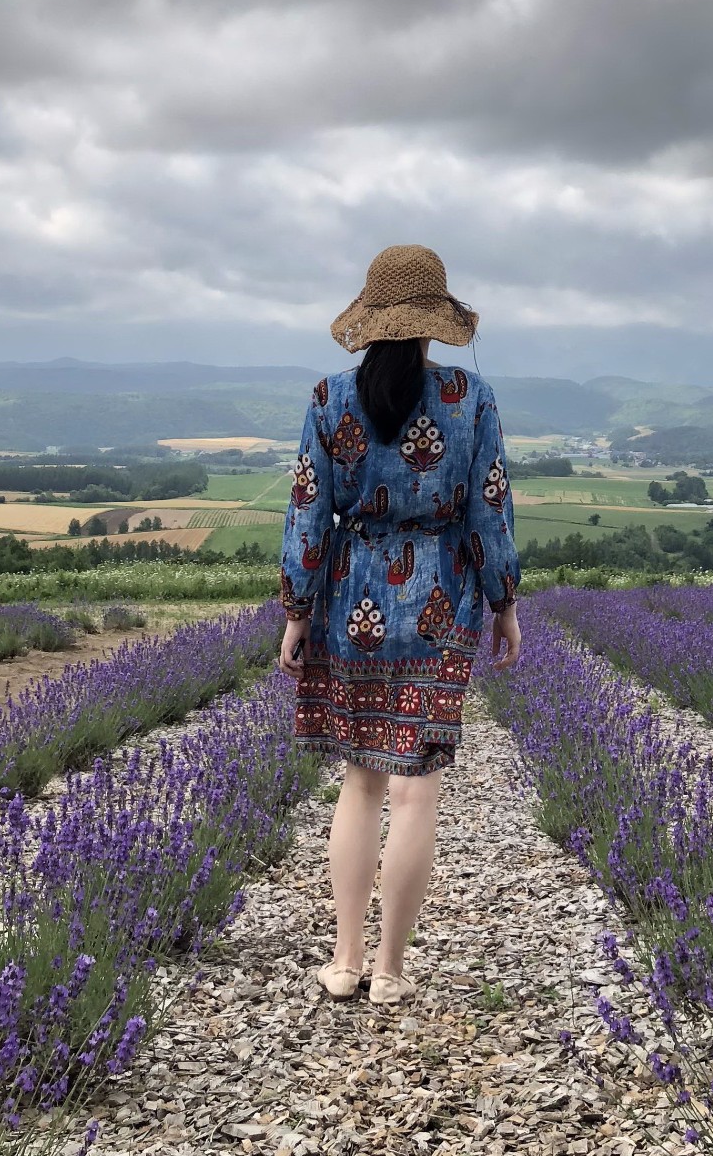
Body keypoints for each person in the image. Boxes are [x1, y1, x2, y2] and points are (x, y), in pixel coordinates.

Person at [277, 244, 522, 1005]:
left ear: (370, 320)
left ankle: (344, 961)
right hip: (443, 601)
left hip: (351, 600)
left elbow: (309, 514)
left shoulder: (328, 399)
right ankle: (390, 972)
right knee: (419, 793)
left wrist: (295, 611)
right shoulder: (471, 398)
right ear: (433, 324)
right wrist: (505, 601)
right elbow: (489, 507)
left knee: (361, 785)